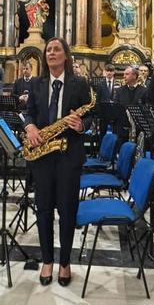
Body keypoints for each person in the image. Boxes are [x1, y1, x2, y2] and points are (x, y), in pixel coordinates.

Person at [23, 37, 91, 287]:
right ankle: (47, 260)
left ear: (65, 55)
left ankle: (64, 262)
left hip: (69, 155)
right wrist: (30, 126)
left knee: (67, 210)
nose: (51, 53)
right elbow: (28, 112)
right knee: (43, 209)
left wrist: (81, 124)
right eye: (48, 50)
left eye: (56, 49)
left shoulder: (79, 83)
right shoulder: (37, 83)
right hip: (42, 155)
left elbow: (92, 116)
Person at [113, 66, 146, 141]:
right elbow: (116, 109)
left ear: (134, 76)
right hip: (121, 130)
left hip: (138, 130)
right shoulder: (119, 91)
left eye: (127, 74)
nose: (124, 76)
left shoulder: (144, 91)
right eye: (124, 74)